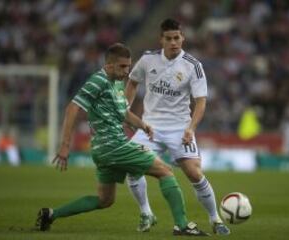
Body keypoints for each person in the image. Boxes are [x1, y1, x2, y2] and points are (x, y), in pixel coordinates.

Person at [35, 43, 208, 236]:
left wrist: (143, 125)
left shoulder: (117, 83)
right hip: (113, 146)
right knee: (165, 171)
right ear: (109, 66)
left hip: (103, 151)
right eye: (123, 67)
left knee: (105, 200)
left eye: (129, 66)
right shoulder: (98, 81)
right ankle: (182, 225)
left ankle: (50, 215)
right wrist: (65, 145)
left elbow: (123, 113)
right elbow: (72, 108)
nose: (127, 72)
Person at [126, 18, 230, 235]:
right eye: (169, 38)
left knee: (194, 172)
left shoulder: (193, 66)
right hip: (150, 127)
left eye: (177, 38)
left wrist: (191, 128)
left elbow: (200, 101)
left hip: (180, 128)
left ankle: (216, 219)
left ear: (183, 37)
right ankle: (146, 213)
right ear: (161, 40)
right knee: (131, 166)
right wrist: (125, 108)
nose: (174, 42)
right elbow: (132, 81)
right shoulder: (147, 59)